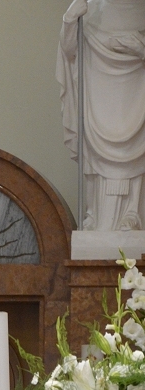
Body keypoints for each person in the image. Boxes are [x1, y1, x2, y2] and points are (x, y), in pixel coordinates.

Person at [57, 0, 145, 230]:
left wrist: (141, 50)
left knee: (136, 150)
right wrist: (69, 20)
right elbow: (70, 52)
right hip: (97, 93)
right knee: (95, 151)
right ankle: (94, 214)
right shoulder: (90, 7)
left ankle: (133, 212)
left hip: (135, 94)